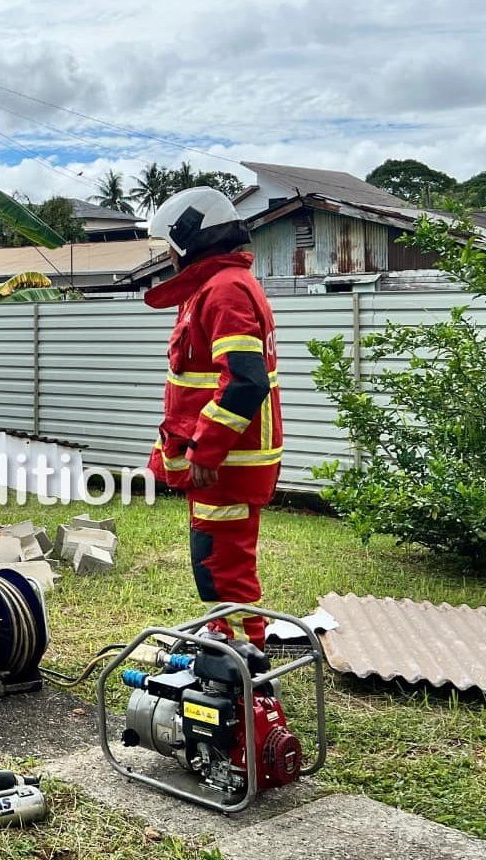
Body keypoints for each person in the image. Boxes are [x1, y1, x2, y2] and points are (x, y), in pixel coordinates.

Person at [143, 187, 284, 649]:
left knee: (224, 570)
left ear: (191, 238)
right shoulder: (213, 287)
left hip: (226, 463)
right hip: (219, 463)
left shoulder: (225, 290)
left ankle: (246, 669)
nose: (167, 255)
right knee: (212, 562)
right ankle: (224, 639)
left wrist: (207, 446)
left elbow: (246, 381)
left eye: (170, 244)